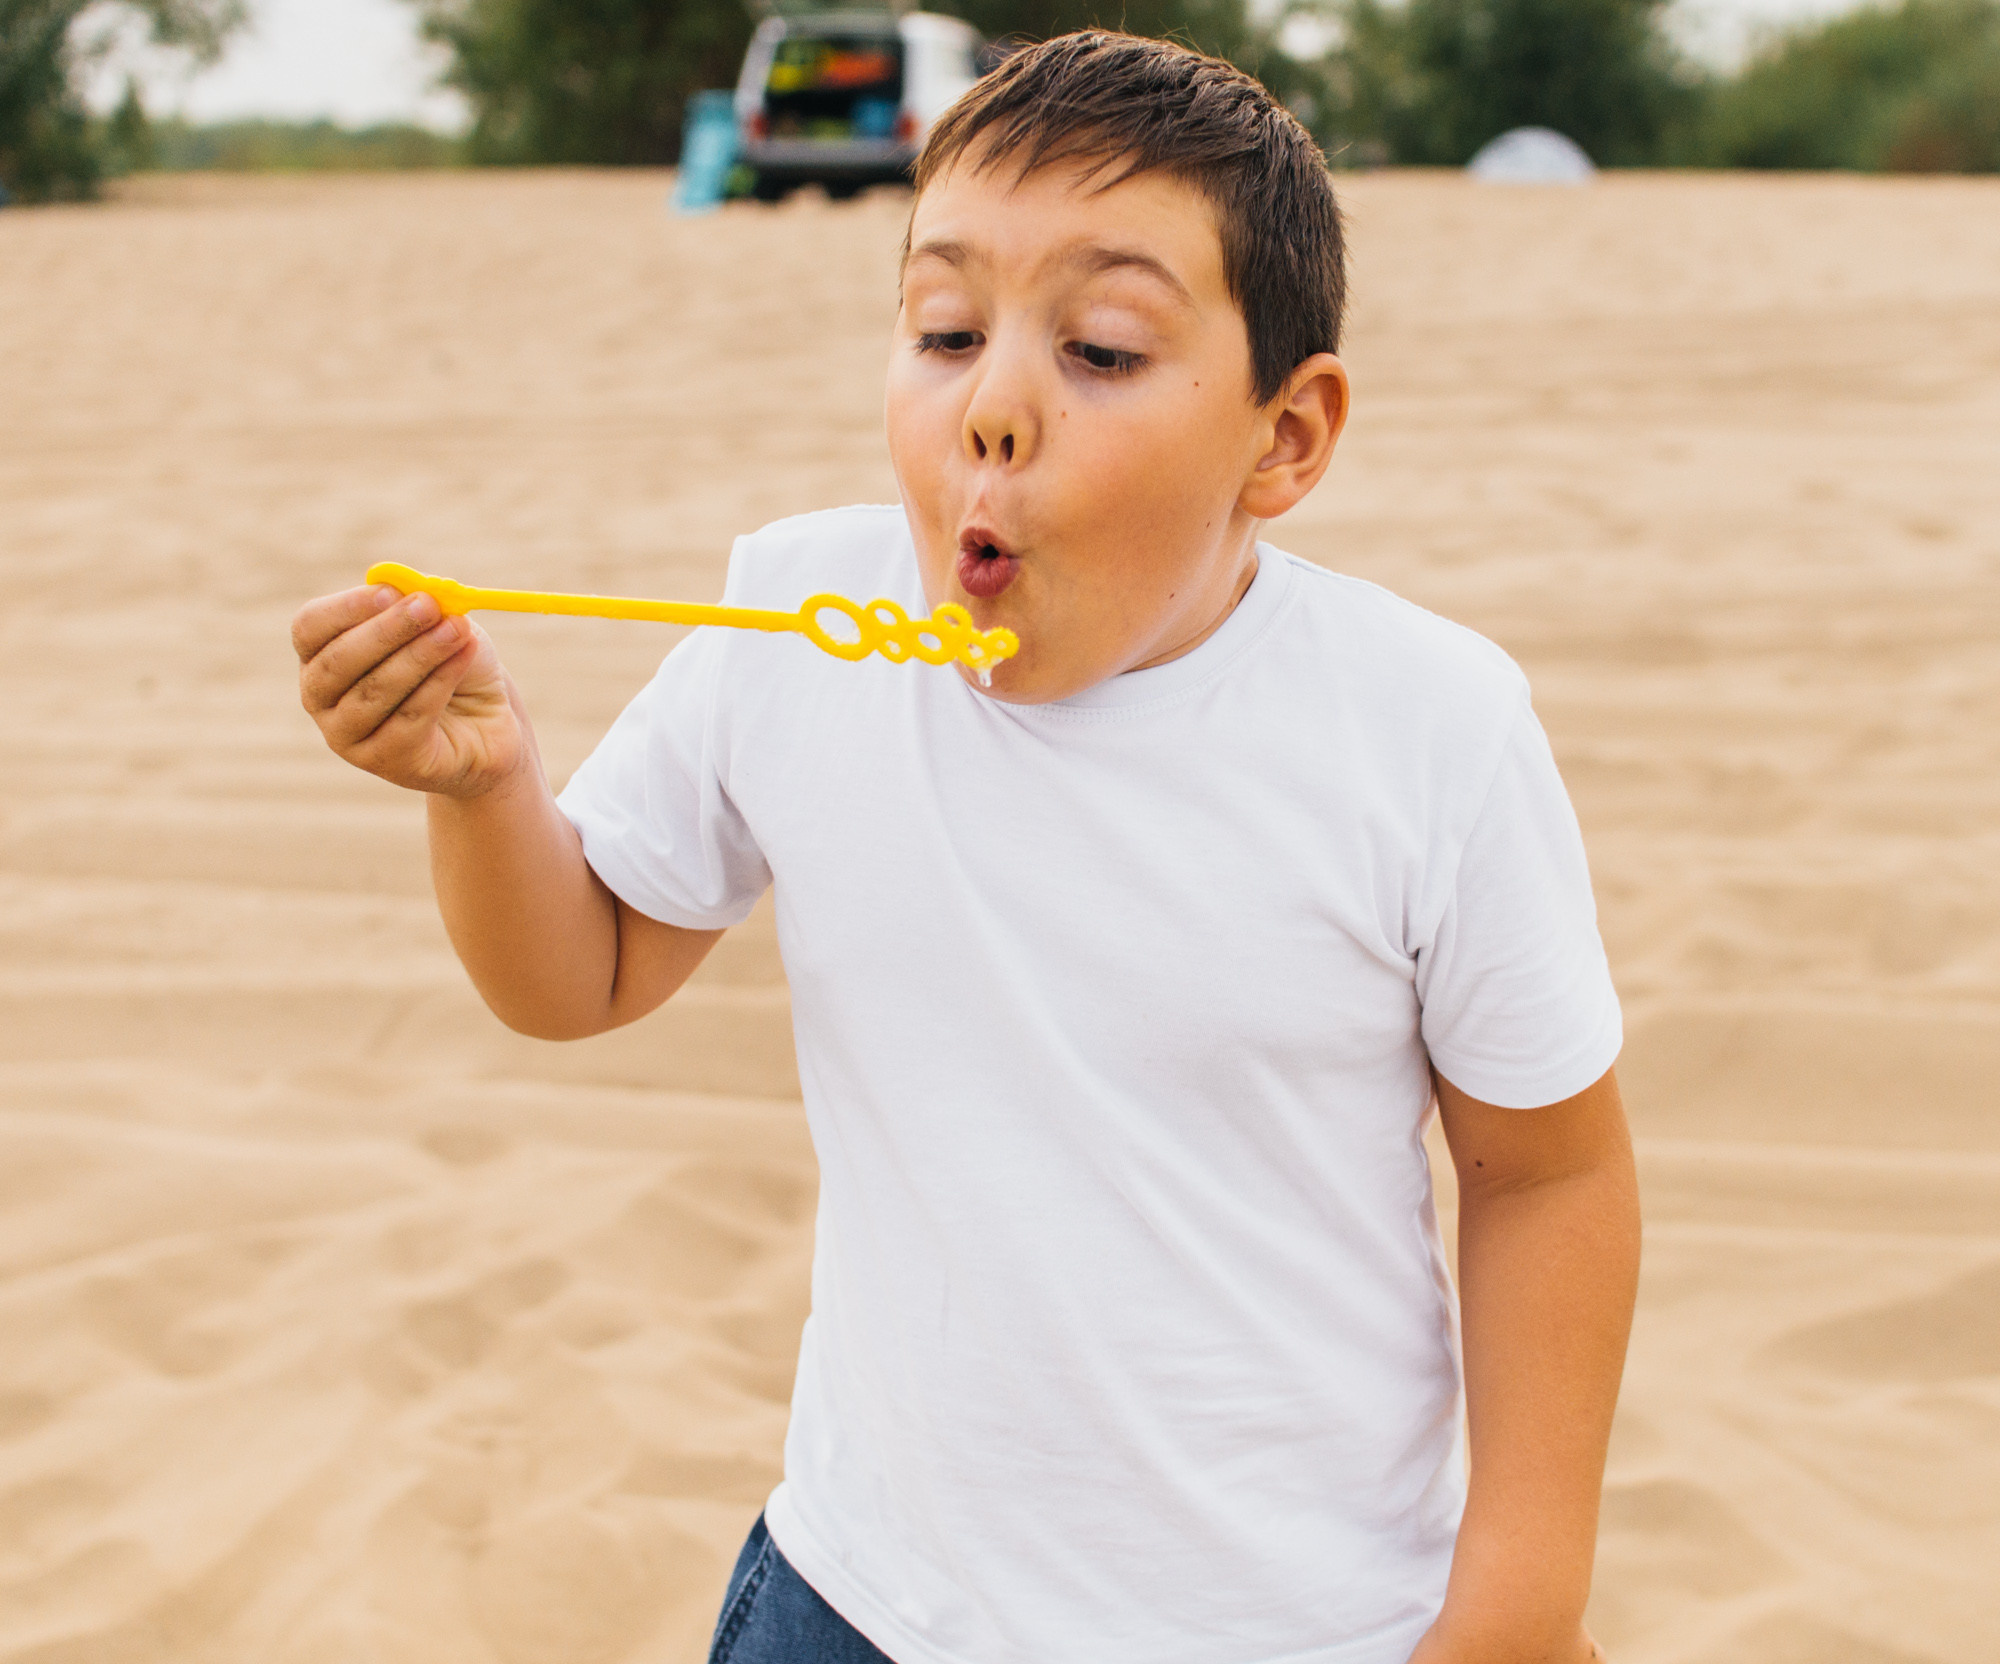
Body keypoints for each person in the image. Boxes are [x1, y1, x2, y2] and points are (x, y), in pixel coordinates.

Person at [291, 32, 1638, 1664]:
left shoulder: (1428, 727)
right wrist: (484, 788)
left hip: (1308, 1624)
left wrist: (1519, 1601)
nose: (991, 406)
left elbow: (1547, 1172)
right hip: (861, 1602)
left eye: (1103, 348)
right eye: (943, 329)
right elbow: (582, 970)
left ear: (1285, 440)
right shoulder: (789, 620)